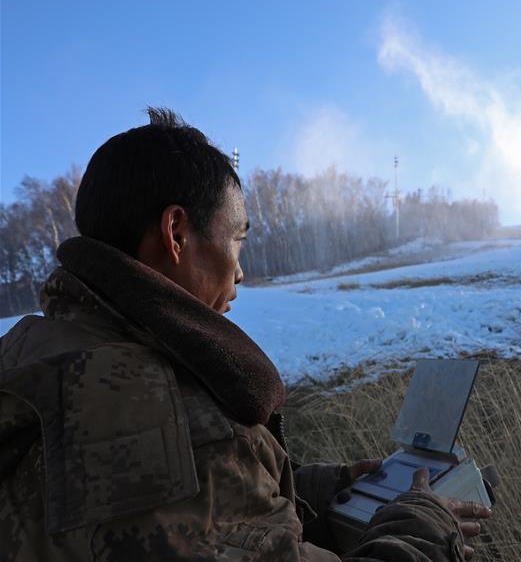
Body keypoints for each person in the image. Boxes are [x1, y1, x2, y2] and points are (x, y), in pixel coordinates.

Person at [0, 108, 490, 561]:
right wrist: (421, 530)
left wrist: (302, 488)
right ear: (176, 233)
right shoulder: (177, 423)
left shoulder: (34, 350)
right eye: (237, 240)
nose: (239, 273)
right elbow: (183, 476)